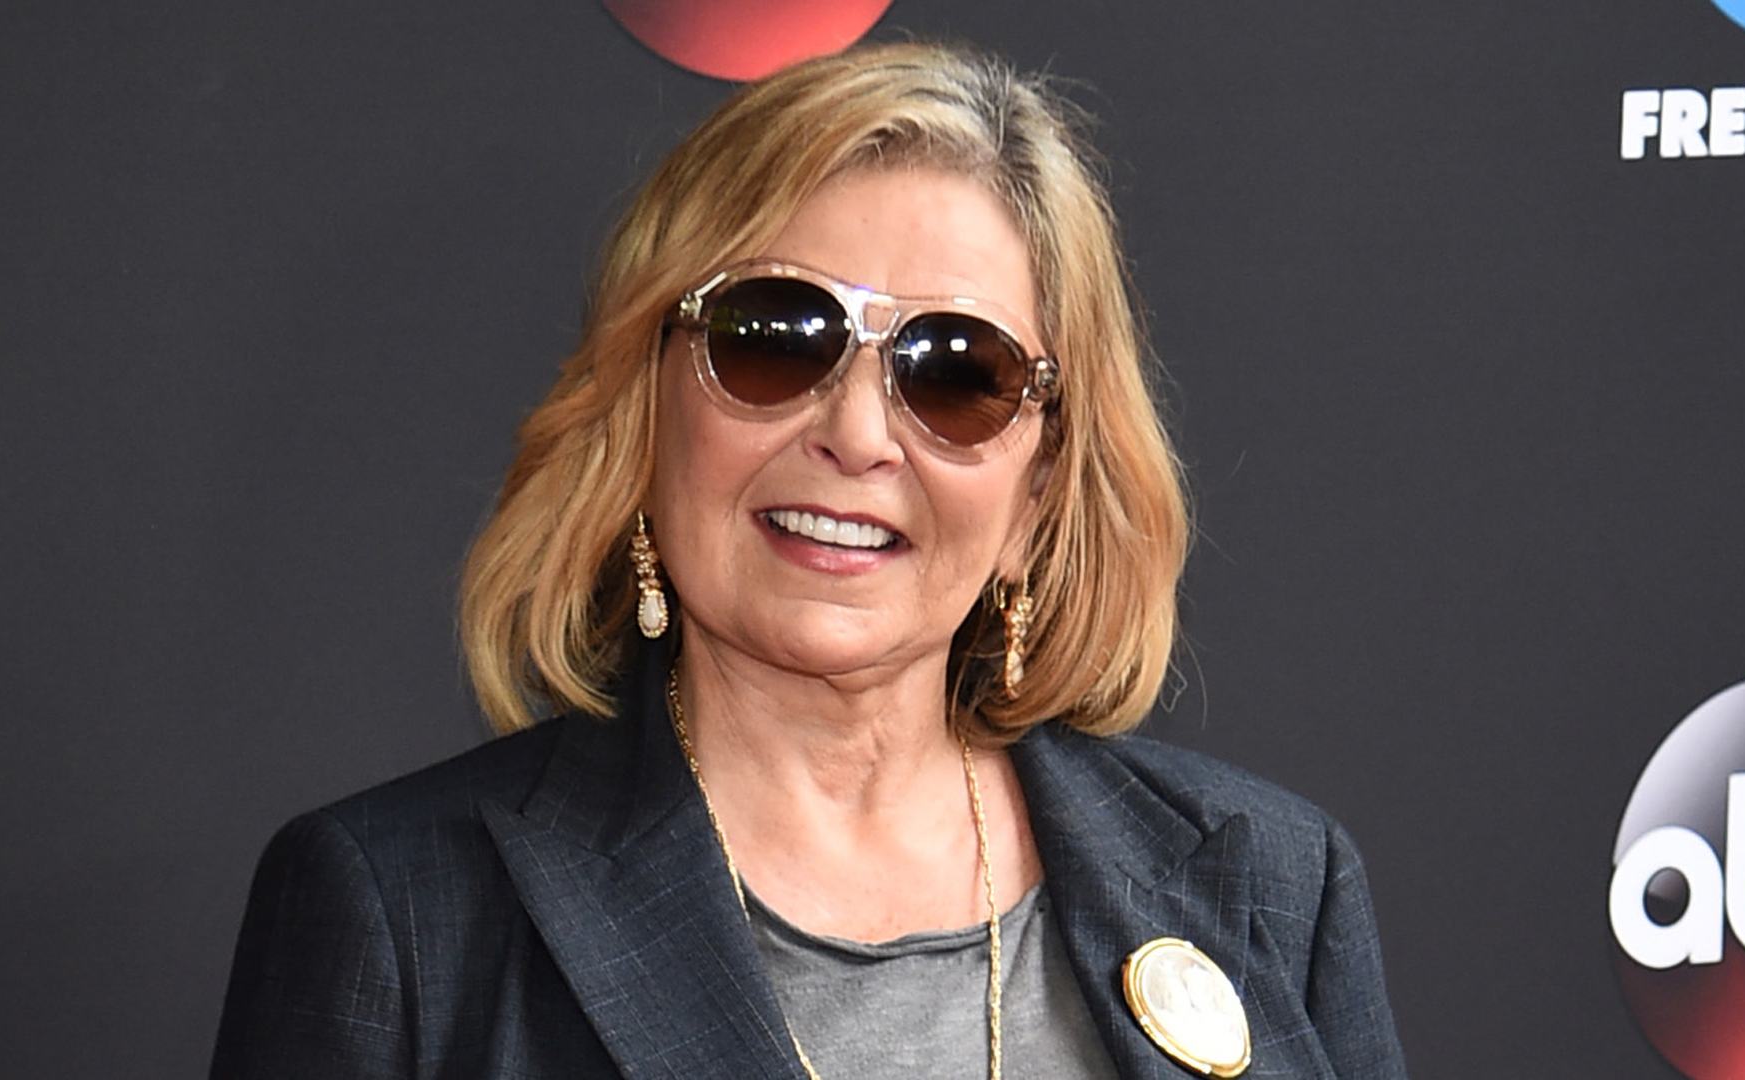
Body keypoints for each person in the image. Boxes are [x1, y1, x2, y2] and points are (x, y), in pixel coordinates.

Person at [210, 41, 1407, 1080]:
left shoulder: (1273, 887)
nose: (856, 433)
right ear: (646, 404)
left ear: (1041, 484)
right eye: (776, 338)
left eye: (954, 372)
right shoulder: (400, 914)